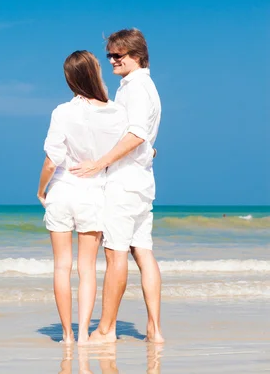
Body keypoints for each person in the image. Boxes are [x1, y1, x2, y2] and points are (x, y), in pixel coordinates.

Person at [69, 28, 164, 343]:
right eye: (109, 54)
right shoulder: (147, 86)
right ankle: (154, 329)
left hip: (124, 182)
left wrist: (99, 162)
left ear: (136, 56)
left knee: (116, 253)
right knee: (144, 252)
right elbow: (144, 139)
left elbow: (136, 133)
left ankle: (106, 329)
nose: (111, 60)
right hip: (142, 179)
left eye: (117, 55)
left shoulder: (135, 88)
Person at [37, 50, 128, 344]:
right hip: (94, 193)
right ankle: (86, 333)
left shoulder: (62, 111)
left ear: (70, 79)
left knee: (61, 266)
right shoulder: (117, 113)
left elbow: (52, 160)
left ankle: (66, 335)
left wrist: (41, 190)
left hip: (62, 190)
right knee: (86, 268)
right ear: (95, 72)